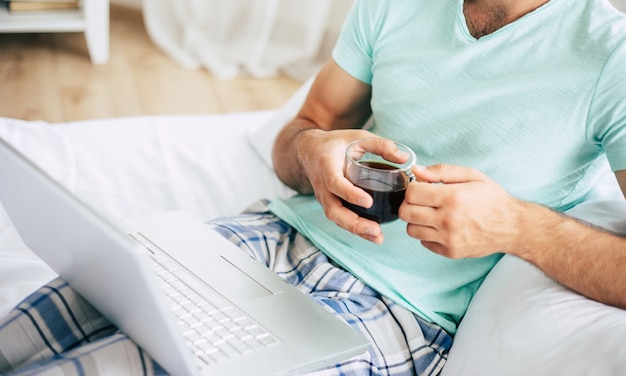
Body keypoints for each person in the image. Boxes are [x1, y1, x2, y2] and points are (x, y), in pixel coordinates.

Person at [1, 0, 625, 375]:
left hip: (394, 315)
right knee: (21, 335)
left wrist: (515, 224)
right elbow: (303, 131)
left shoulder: (610, 55)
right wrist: (312, 147)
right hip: (266, 237)